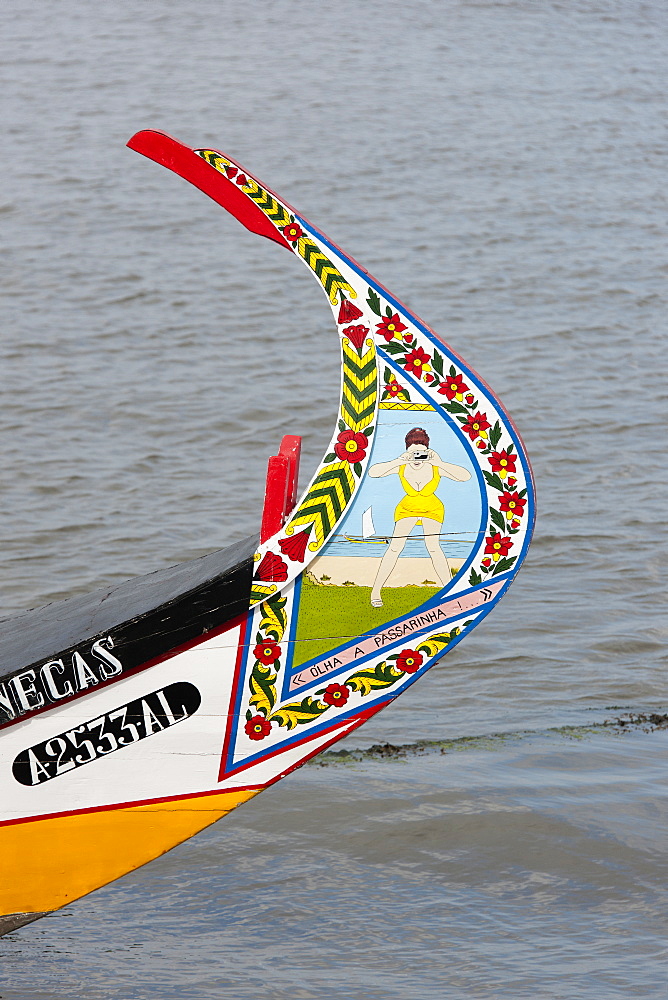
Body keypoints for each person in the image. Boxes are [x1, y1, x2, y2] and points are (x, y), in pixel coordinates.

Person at [368, 428, 470, 607]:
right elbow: (373, 472)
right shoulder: (401, 466)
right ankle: (375, 591)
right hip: (407, 508)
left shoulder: (434, 467)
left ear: (428, 451)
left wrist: (440, 462)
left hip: (432, 508)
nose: (417, 459)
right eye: (413, 453)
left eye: (421, 454)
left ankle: (449, 591)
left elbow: (465, 476)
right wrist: (398, 460)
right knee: (394, 547)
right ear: (407, 451)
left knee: (433, 547)